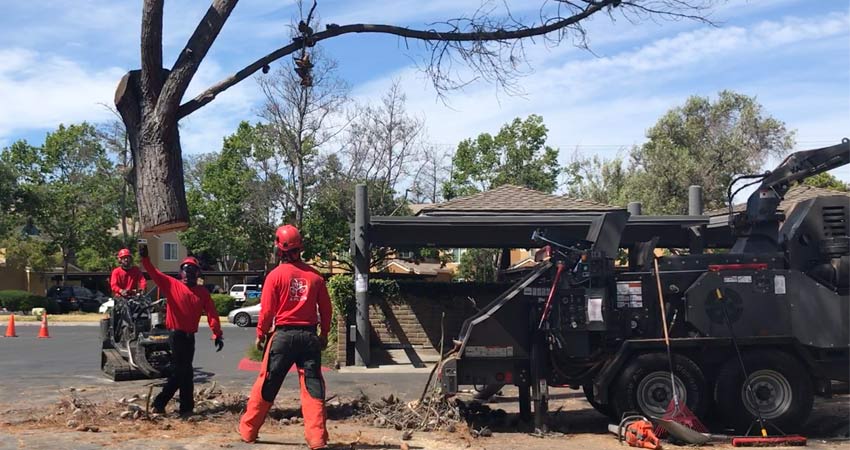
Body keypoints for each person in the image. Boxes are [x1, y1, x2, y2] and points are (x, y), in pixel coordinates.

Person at [239, 225, 332, 449]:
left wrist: (260, 335)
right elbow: (326, 310)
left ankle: (248, 431)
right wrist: (324, 334)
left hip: (283, 336)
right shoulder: (316, 276)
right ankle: (317, 439)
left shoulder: (275, 276)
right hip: (309, 337)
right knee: (313, 387)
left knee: (267, 384)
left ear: (279, 249)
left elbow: (267, 311)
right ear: (300, 247)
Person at [138, 242, 224, 417]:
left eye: (192, 271)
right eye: (186, 270)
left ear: (197, 274)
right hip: (175, 335)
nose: (188, 274)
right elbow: (153, 272)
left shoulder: (202, 293)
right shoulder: (171, 285)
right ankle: (164, 403)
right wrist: (144, 257)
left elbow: (212, 314)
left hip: (189, 336)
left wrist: (217, 333)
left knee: (185, 372)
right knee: (181, 372)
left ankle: (184, 407)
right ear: (181, 272)